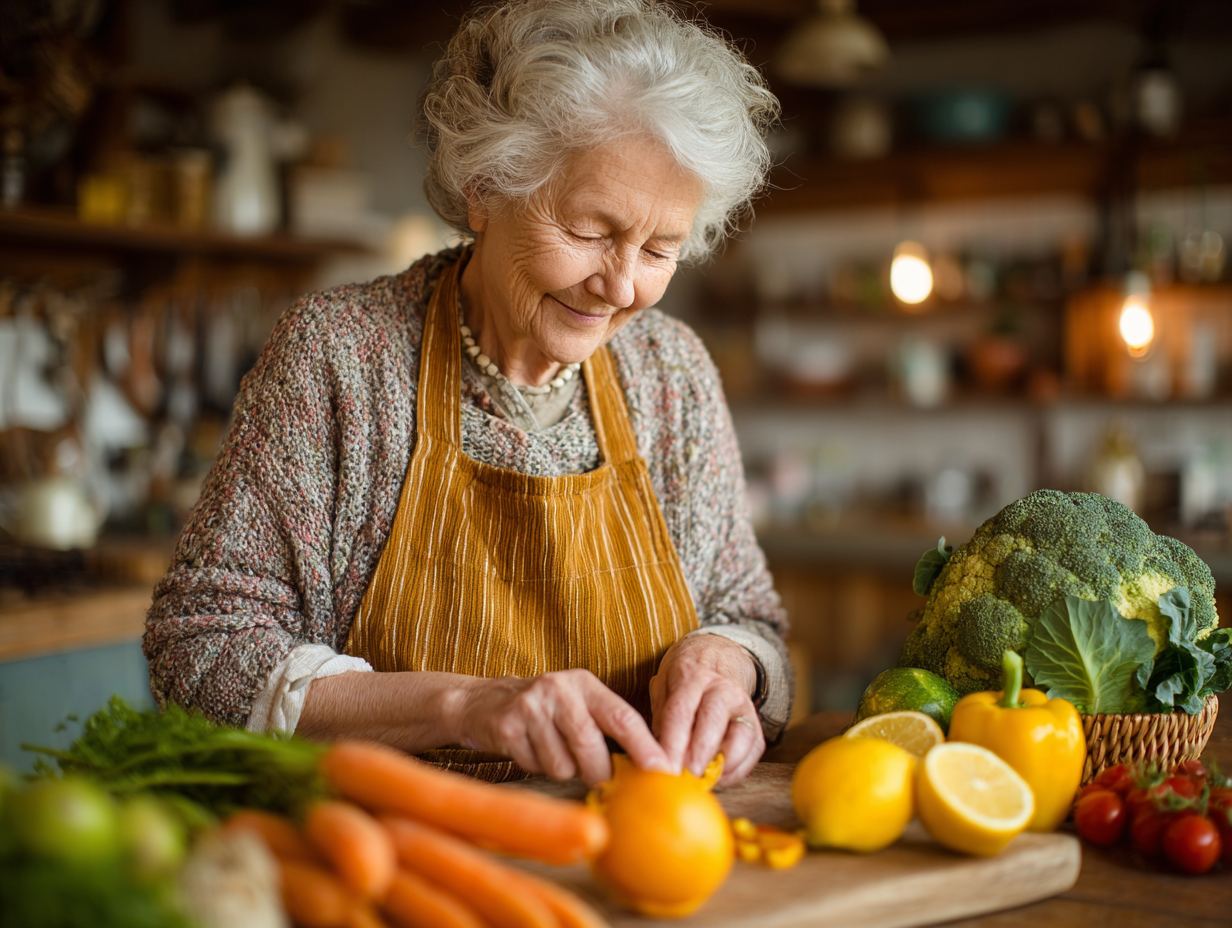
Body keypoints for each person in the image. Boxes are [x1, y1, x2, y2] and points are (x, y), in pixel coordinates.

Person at [144, 0, 788, 787]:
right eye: (590, 231)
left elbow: (749, 615)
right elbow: (200, 648)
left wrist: (728, 662)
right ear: (484, 188)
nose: (621, 286)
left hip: (625, 843)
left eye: (659, 249)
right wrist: (462, 706)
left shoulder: (672, 373)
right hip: (386, 837)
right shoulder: (342, 356)